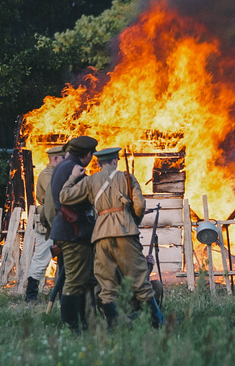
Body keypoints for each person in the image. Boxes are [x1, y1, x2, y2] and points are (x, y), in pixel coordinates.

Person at [60, 147, 161, 329]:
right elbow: (140, 206)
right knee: (140, 280)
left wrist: (73, 177)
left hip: (100, 236)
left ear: (99, 163)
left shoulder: (90, 181)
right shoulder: (126, 178)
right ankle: (157, 321)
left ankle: (115, 326)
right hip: (126, 233)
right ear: (115, 161)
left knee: (106, 284)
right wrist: (132, 221)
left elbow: (64, 196)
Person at [49, 135, 98, 331]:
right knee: (76, 281)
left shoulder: (64, 165)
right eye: (91, 155)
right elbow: (75, 198)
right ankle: (72, 327)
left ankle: (88, 323)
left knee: (86, 280)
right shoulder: (72, 169)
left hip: (70, 231)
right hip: (73, 232)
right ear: (87, 154)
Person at [24, 145, 66, 303]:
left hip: (59, 220)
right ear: (56, 159)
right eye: (64, 158)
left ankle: (63, 294)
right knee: (42, 258)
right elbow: (57, 195)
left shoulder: (55, 173)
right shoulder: (48, 175)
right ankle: (31, 295)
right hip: (48, 222)